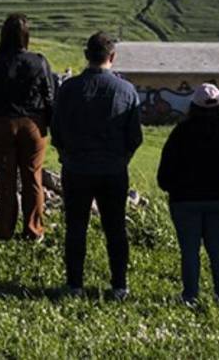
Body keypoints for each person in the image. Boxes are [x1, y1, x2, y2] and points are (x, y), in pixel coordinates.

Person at [52, 31, 142, 299]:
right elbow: (135, 136)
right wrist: (122, 158)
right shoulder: (126, 91)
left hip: (76, 169)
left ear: (86, 56)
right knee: (115, 229)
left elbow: (56, 130)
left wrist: (66, 154)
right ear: (112, 57)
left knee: (76, 228)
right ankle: (119, 286)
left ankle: (74, 285)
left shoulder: (68, 89)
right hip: (113, 171)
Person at [156, 83, 219, 306]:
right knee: (218, 248)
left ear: (193, 106)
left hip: (184, 200)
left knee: (190, 250)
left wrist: (173, 187)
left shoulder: (180, 133)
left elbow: (164, 175)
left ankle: (190, 295)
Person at [0, 13, 55, 241]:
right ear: (26, 36)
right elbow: (49, 95)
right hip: (32, 124)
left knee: (5, 180)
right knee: (33, 178)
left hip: (2, 125)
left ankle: (4, 231)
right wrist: (48, 125)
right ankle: (33, 230)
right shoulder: (38, 61)